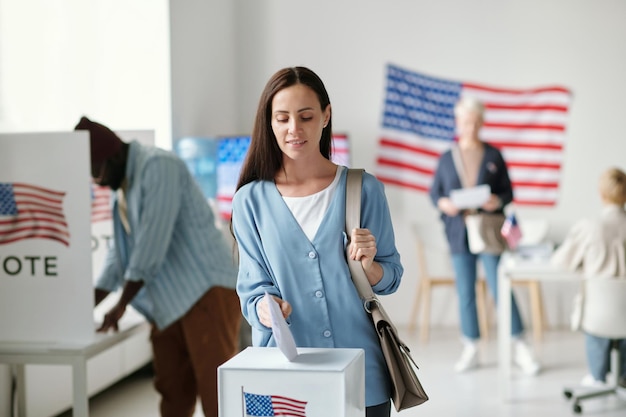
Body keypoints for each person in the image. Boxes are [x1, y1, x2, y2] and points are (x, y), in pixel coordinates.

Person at [230, 67, 403, 417]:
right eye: (282, 118)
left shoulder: (364, 190)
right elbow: (251, 292)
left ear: (326, 116)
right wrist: (265, 308)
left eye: (306, 116)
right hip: (283, 381)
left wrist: (369, 269)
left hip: (362, 376)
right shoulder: (249, 201)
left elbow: (392, 277)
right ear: (270, 123)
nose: (294, 129)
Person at [75, 116, 241, 417]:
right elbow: (119, 253)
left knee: (217, 395)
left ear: (112, 157)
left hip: (205, 291)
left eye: (96, 175)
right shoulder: (123, 188)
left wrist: (121, 304)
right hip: (167, 303)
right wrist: (85, 306)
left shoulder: (158, 166)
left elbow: (151, 244)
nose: (97, 183)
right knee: (173, 393)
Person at [429, 96, 540, 375]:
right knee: (466, 291)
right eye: (467, 122)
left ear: (482, 123)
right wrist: (445, 204)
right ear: (459, 123)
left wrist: (495, 202)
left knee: (500, 287)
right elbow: (436, 193)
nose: (471, 127)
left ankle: (519, 345)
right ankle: (471, 346)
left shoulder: (493, 155)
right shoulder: (446, 158)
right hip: (458, 233)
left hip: (488, 231)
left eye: (476, 122)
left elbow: (508, 193)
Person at [551, 167, 626, 389]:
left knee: (599, 318)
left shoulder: (589, 227)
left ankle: (597, 376)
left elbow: (562, 262)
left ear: (601, 193)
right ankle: (622, 376)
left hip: (598, 316)